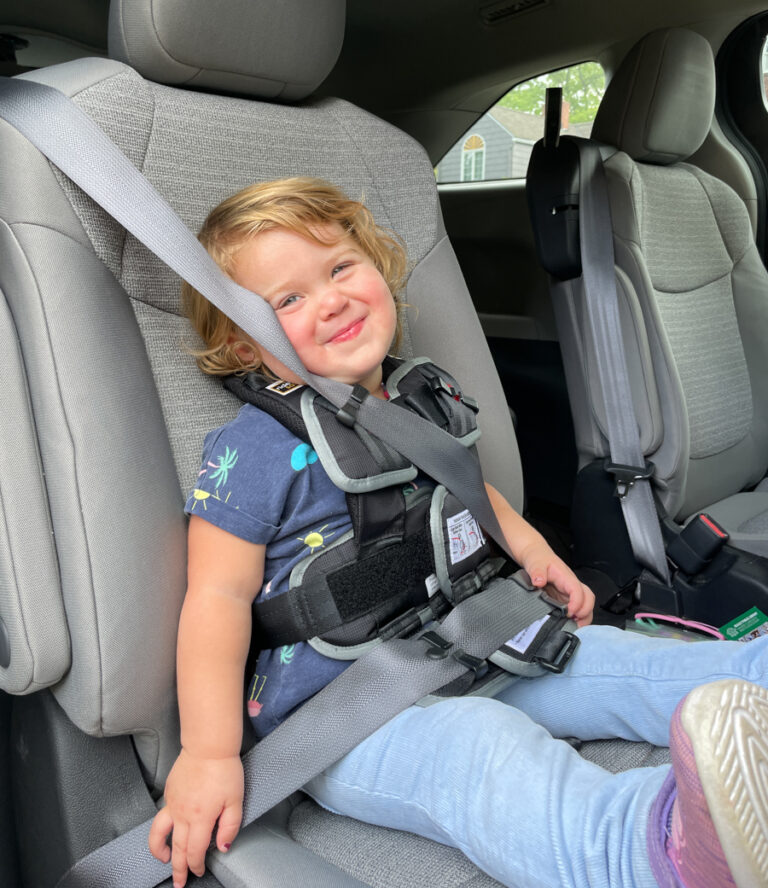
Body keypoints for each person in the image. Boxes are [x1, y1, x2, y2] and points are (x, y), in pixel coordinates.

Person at [149, 177, 768, 888]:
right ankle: (655, 851)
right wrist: (209, 754)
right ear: (243, 343)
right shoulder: (254, 451)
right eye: (286, 301)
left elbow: (472, 492)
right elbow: (216, 601)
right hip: (350, 716)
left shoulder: (421, 394)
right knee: (484, 753)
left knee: (620, 662)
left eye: (341, 267)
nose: (331, 299)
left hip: (473, 643)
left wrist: (537, 554)